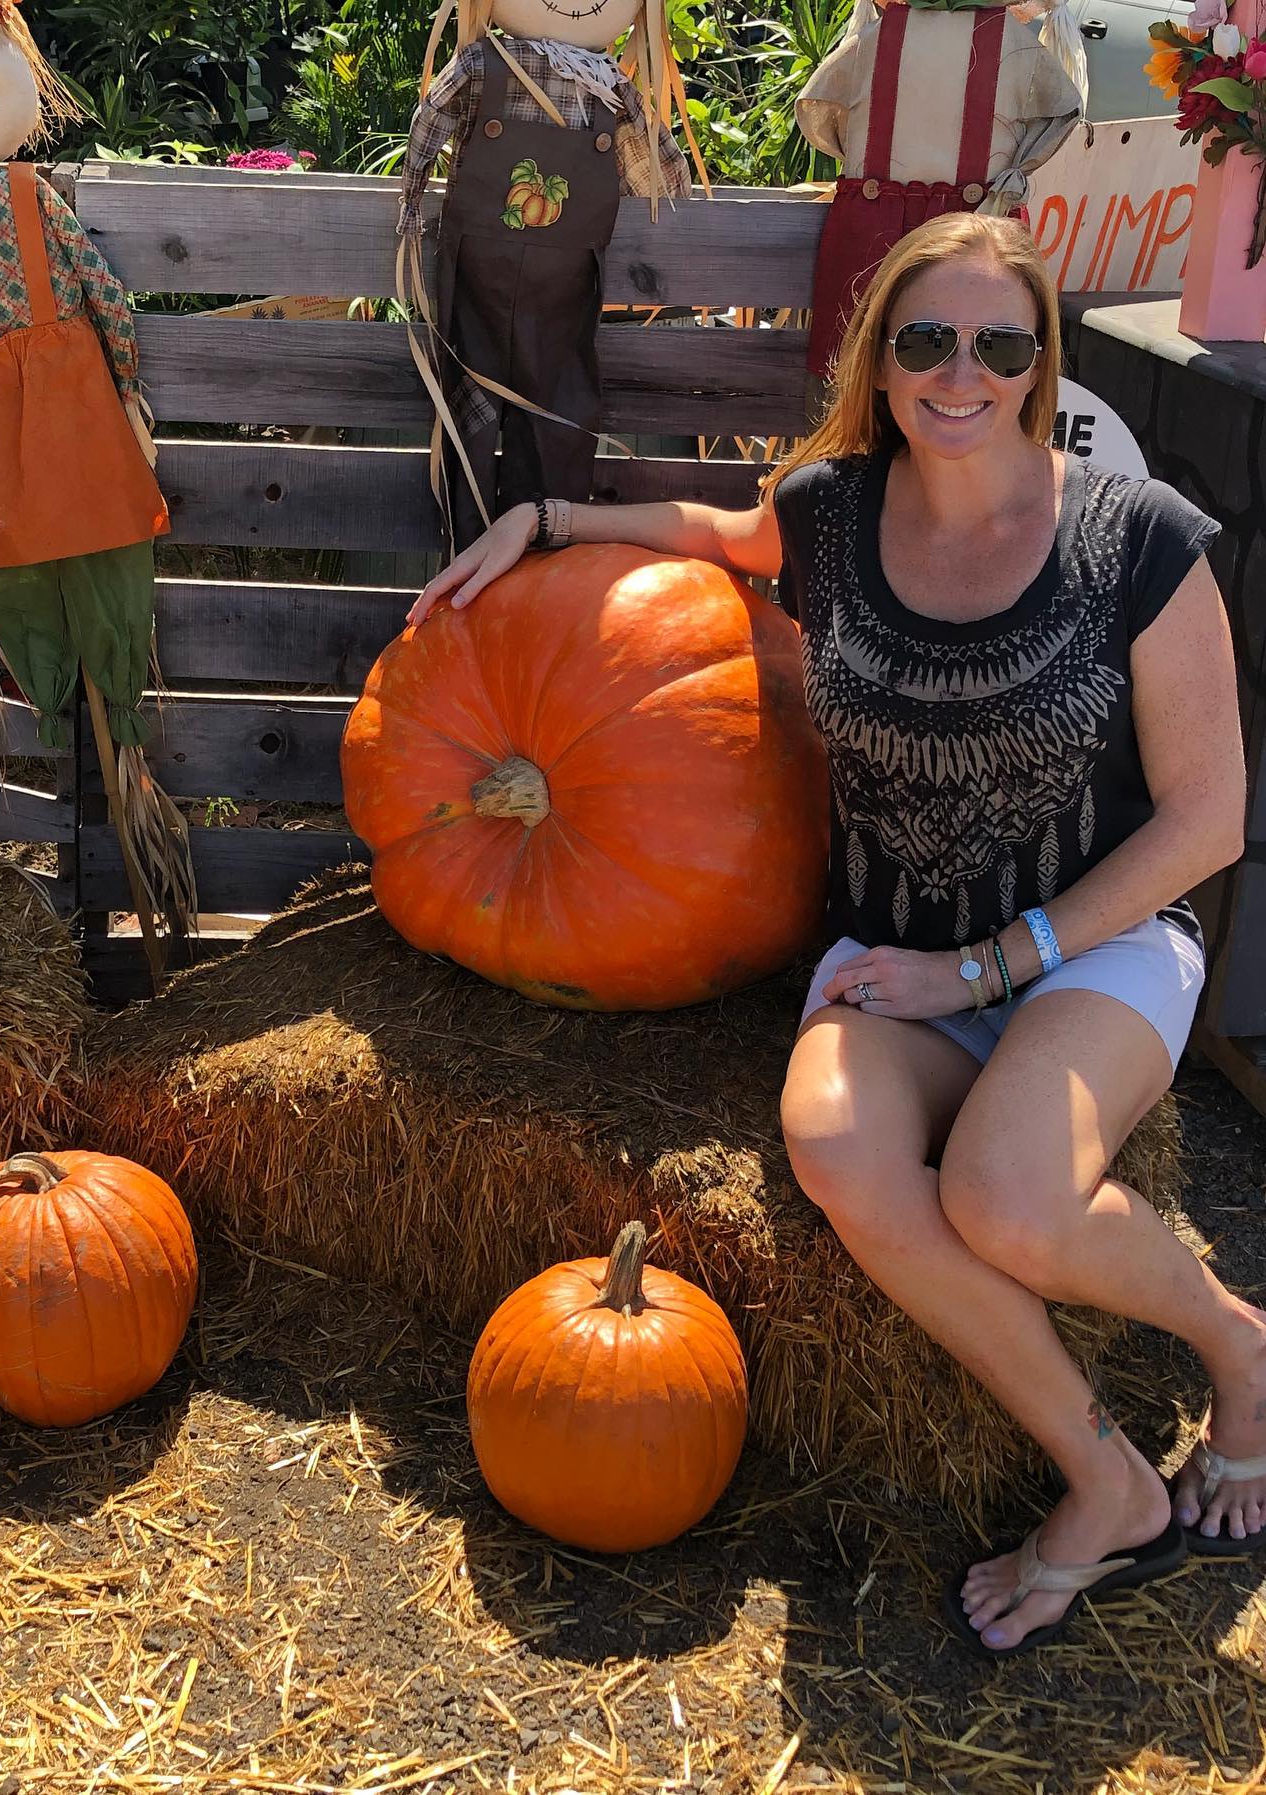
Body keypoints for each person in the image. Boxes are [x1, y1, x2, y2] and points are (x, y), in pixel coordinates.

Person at [405, 211, 1261, 1657]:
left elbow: (1210, 823)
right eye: (927, 340)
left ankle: (1243, 1347)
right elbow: (710, 534)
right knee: (837, 1151)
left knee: (1011, 1201)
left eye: (1001, 343)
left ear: (1042, 363)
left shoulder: (1141, 540)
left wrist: (987, 967)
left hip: (1097, 949)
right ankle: (1107, 1477)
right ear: (883, 357)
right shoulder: (832, 513)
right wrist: (547, 521)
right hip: (895, 949)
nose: (961, 374)